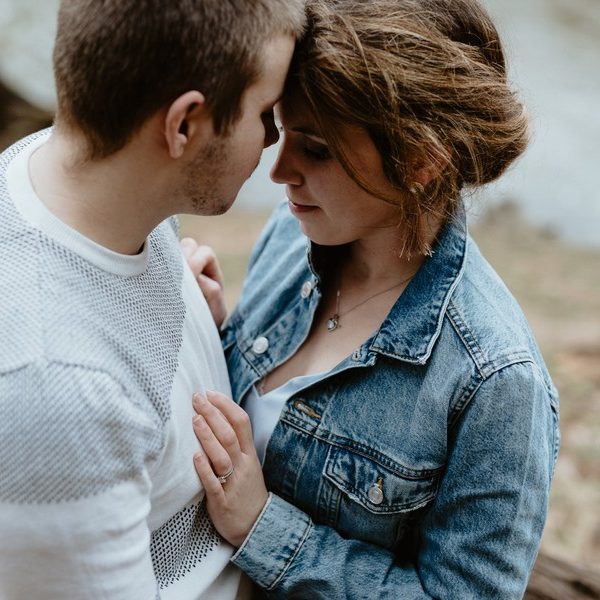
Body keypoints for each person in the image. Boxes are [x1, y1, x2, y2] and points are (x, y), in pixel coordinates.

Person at [183, 0, 560, 597]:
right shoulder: (292, 234)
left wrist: (263, 526)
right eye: (281, 131)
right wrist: (208, 334)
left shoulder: (497, 382)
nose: (278, 171)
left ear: (419, 162)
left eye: (317, 149)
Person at [0, 0, 305, 598]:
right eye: (265, 113)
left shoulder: (71, 176)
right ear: (184, 125)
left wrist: (192, 323)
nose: (274, 142)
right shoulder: (54, 393)